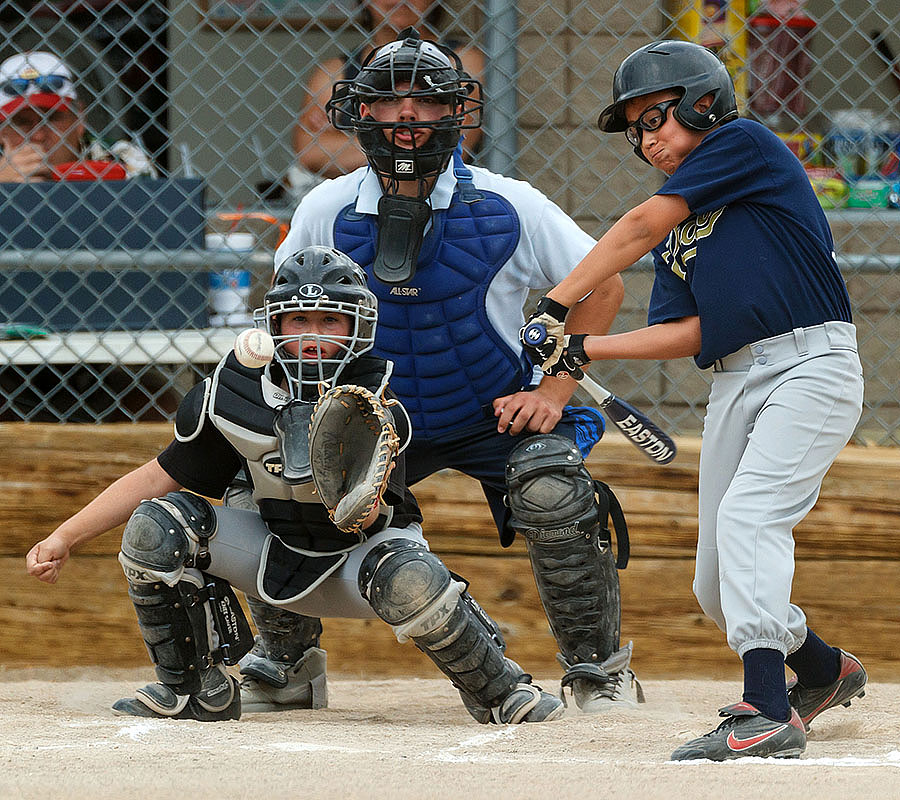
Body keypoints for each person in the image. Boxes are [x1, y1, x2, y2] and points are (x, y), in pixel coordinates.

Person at [238, 28, 639, 717]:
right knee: (274, 479)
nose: (406, 117)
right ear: (359, 112)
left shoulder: (509, 203)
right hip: (369, 416)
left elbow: (604, 287)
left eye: (424, 101)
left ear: (455, 111)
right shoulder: (326, 208)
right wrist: (297, 415)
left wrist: (554, 389)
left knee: (553, 489)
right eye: (389, 102)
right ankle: (287, 663)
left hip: (491, 408)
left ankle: (597, 672)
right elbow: (285, 314)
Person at [25, 245, 564, 725]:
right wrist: (64, 537)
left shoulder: (377, 403)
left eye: (330, 321)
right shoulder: (231, 395)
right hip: (273, 556)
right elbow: (156, 477)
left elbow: (369, 517)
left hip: (361, 567)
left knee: (411, 576)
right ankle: (196, 689)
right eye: (297, 320)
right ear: (271, 327)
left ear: (359, 328)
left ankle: (500, 690)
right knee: (157, 526)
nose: (311, 336)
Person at [520, 40, 867, 761]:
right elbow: (688, 330)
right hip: (737, 378)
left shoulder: (744, 146)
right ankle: (824, 670)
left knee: (749, 521)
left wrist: (558, 304)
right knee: (716, 583)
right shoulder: (684, 228)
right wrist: (584, 349)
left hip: (810, 364)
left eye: (659, 117)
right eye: (638, 130)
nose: (650, 140)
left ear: (704, 102)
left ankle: (767, 711)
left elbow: (637, 224)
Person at [288, 0, 483, 200]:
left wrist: (366, 138)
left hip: (450, 201)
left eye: (427, 100)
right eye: (388, 99)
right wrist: (420, 143)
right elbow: (311, 153)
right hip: (359, 203)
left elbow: (454, 147)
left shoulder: (461, 62)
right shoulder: (334, 73)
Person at [0, 51, 155, 183]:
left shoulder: (122, 157)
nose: (38, 135)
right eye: (21, 122)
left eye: (51, 119)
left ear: (79, 120)